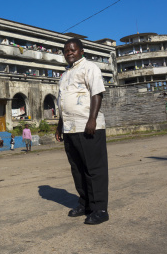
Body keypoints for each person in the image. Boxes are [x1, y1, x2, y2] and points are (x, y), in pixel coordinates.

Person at [55, 38, 109, 225]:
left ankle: (100, 209)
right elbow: (63, 102)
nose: (69, 52)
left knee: (94, 169)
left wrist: (92, 119)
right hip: (70, 128)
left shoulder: (90, 67)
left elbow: (97, 93)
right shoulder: (65, 75)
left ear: (81, 51)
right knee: (77, 168)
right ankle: (85, 203)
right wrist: (60, 125)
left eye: (73, 49)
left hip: (88, 126)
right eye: (66, 50)